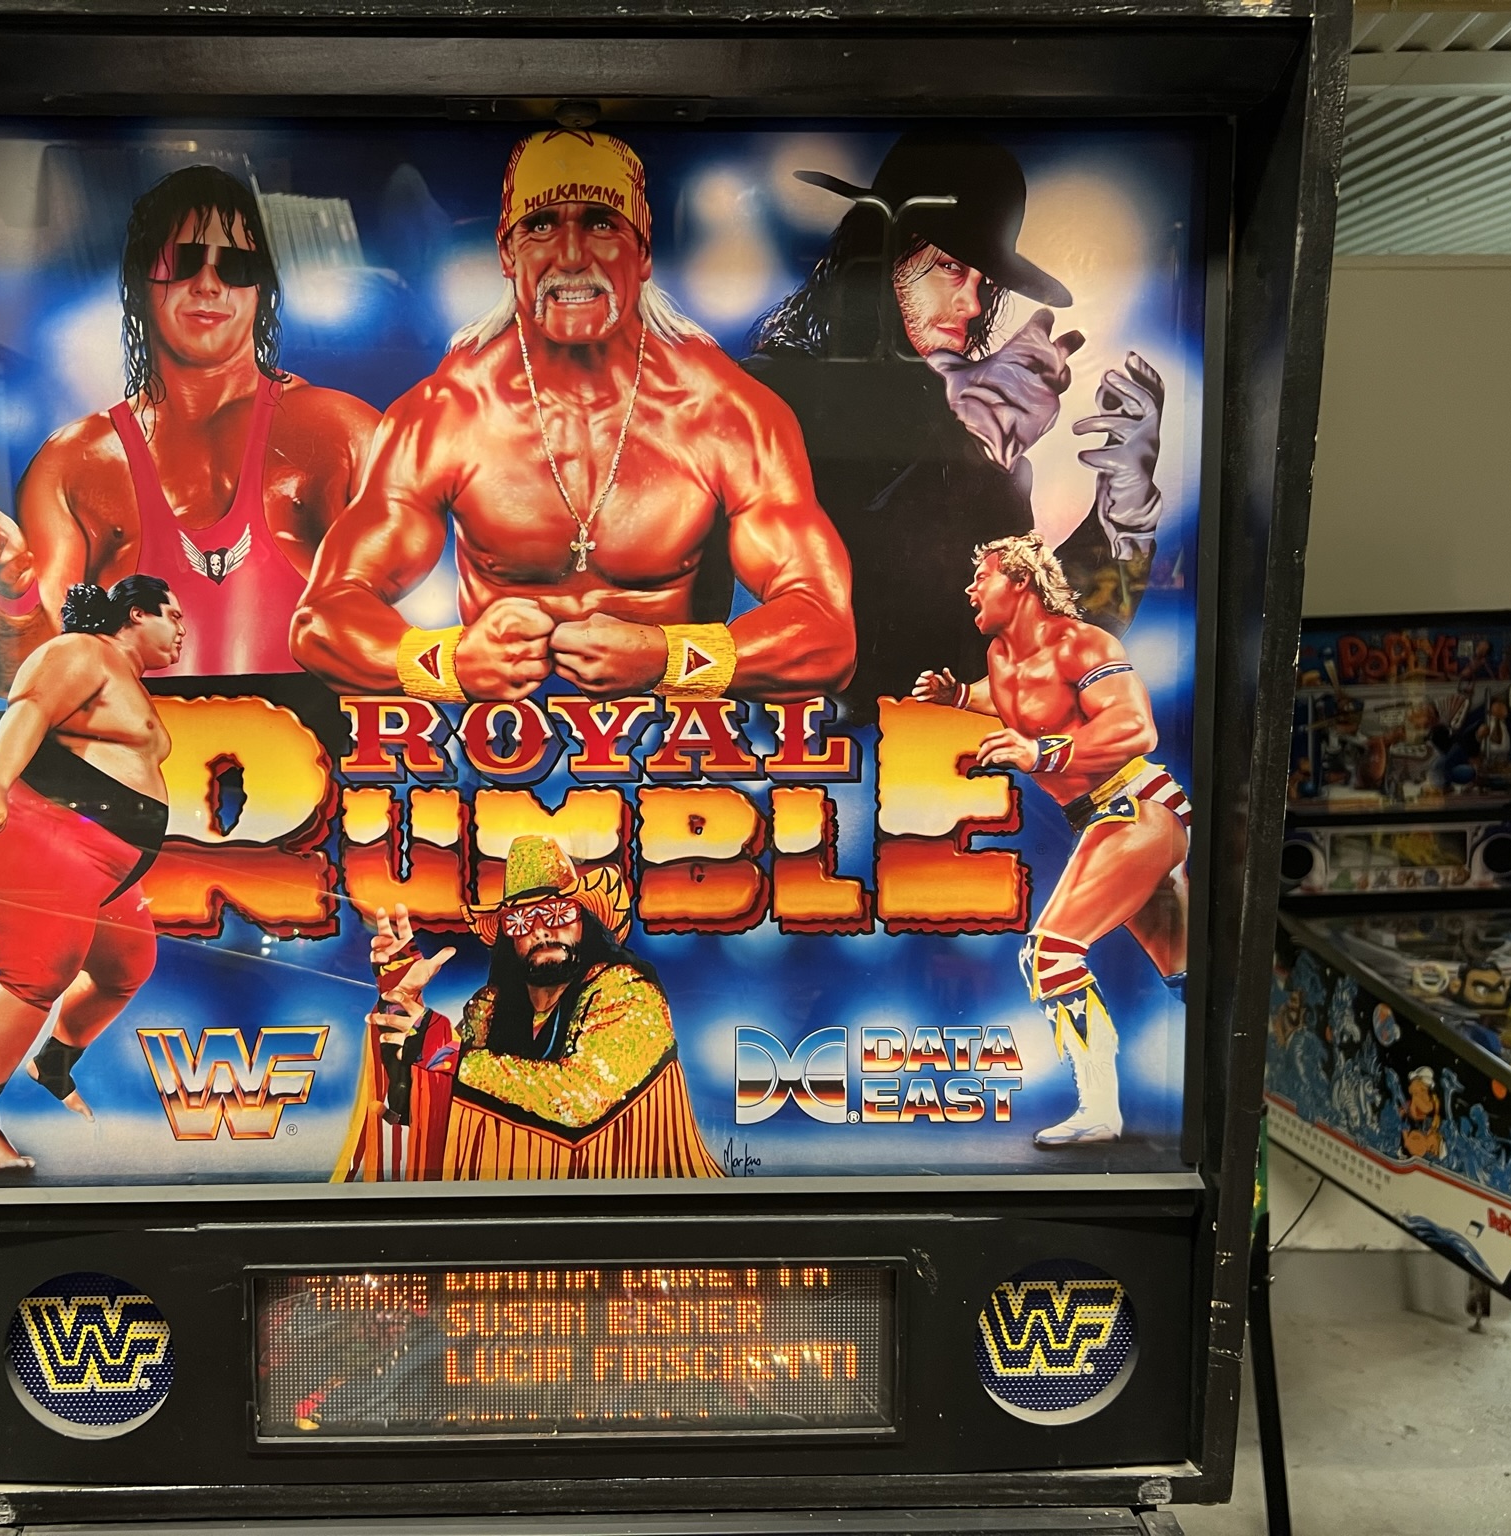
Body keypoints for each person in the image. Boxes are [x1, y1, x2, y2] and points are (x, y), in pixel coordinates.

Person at [291, 129, 854, 705]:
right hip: (496, 749)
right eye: (540, 226)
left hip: (675, 745)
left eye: (601, 223)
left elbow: (826, 633)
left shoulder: (724, 413)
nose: (570, 256)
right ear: (507, 253)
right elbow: (322, 620)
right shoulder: (448, 413)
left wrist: (668, 658)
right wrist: (449, 663)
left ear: (644, 251)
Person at [749, 130, 1168, 722]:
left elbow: (1039, 664)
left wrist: (1122, 519)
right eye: (949, 267)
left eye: (983, 281)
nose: (972, 305)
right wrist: (963, 449)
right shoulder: (764, 399)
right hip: (784, 757)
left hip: (933, 767)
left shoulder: (972, 446)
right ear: (881, 258)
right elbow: (834, 625)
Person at [0, 166, 380, 691]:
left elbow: (402, 644)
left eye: (237, 266)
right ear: (140, 279)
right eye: (182, 262)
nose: (209, 284)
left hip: (308, 744)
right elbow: (26, 681)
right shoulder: (73, 466)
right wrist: (13, 594)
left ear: (262, 289)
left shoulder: (342, 435)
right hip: (136, 745)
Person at [914, 534, 1189, 1147]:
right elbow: (1018, 700)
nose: (970, 588)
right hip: (1101, 816)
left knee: (1050, 953)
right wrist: (959, 697)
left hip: (1136, 804)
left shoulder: (1082, 644)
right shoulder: (1000, 656)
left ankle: (1100, 1108)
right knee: (1188, 973)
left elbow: (1135, 727)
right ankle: (1225, 1101)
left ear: (1019, 581)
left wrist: (1043, 752)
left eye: (982, 576)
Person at [0, 576, 184, 1171]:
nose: (183, 629)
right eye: (174, 615)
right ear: (136, 614)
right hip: (44, 830)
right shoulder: (82, 651)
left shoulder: (124, 679)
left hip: (105, 863)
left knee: (126, 966)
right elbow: (30, 707)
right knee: (39, 974)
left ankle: (52, 1063)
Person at [336, 835, 724, 1180]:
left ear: (585, 922)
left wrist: (447, 1055)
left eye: (557, 913)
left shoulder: (629, 994)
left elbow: (580, 1099)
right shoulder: (490, 1008)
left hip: (639, 1211)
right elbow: (434, 1095)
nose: (540, 930)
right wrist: (401, 998)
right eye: (521, 920)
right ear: (509, 937)